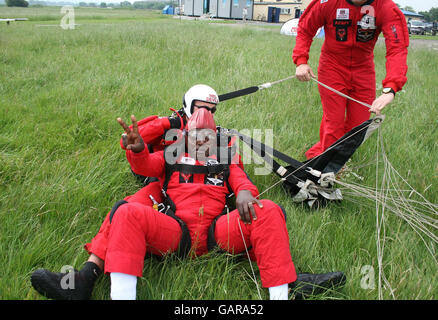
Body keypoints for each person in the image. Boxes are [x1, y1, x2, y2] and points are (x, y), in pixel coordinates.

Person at [293, 0, 408, 160]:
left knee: (358, 126)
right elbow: (306, 28)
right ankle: (327, 169)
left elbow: (397, 47)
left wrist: (391, 88)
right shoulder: (327, 3)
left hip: (364, 70)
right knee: (334, 122)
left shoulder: (385, 6)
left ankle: (322, 155)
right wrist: (301, 61)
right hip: (332, 67)